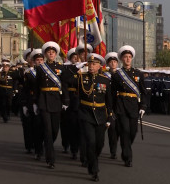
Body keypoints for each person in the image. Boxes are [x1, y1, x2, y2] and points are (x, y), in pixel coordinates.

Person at [77, 53, 113, 182]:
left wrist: (110, 116)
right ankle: (94, 169)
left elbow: (109, 101)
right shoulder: (81, 77)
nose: (91, 66)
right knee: (91, 142)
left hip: (100, 115)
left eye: (94, 64)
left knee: (100, 143)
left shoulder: (105, 80)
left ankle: (92, 159)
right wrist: (78, 69)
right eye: (89, 64)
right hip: (86, 114)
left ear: (99, 66)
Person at [34, 41, 69, 169]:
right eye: (49, 52)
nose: (51, 54)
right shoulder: (40, 68)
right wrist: (35, 102)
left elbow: (64, 86)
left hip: (56, 100)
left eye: (53, 52)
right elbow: (37, 87)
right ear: (45, 54)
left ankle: (46, 144)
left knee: (54, 130)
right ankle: (50, 158)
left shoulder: (61, 68)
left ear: (55, 54)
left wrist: (66, 101)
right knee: (48, 130)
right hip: (43, 100)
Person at [111, 45, 146, 167]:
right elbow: (112, 93)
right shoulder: (117, 75)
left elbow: (143, 92)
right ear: (121, 59)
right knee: (125, 131)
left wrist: (143, 107)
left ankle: (125, 147)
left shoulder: (138, 74)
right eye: (125, 57)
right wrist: (112, 109)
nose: (127, 59)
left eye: (129, 57)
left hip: (133, 106)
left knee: (133, 132)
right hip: (121, 105)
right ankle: (127, 157)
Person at [104, 52, 119, 159]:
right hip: (108, 104)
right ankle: (113, 150)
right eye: (111, 62)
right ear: (108, 64)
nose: (113, 64)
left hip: (120, 105)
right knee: (111, 129)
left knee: (120, 129)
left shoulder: (121, 75)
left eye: (115, 62)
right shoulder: (104, 75)